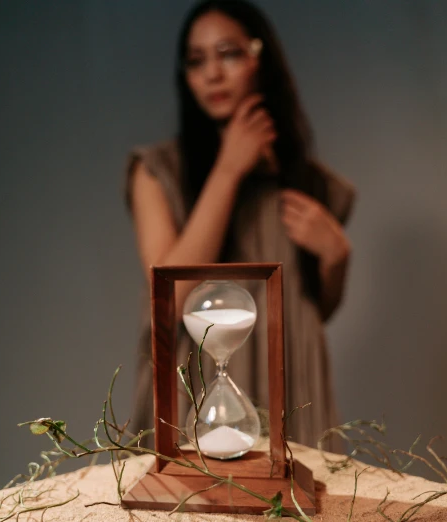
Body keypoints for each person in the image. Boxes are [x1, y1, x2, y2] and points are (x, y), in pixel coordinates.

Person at [124, 0, 355, 451]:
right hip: (199, 389)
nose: (211, 73)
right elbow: (167, 299)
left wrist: (337, 257)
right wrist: (228, 171)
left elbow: (310, 313)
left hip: (293, 389)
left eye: (228, 53)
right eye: (196, 60)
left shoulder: (308, 181)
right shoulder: (157, 172)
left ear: (261, 59)